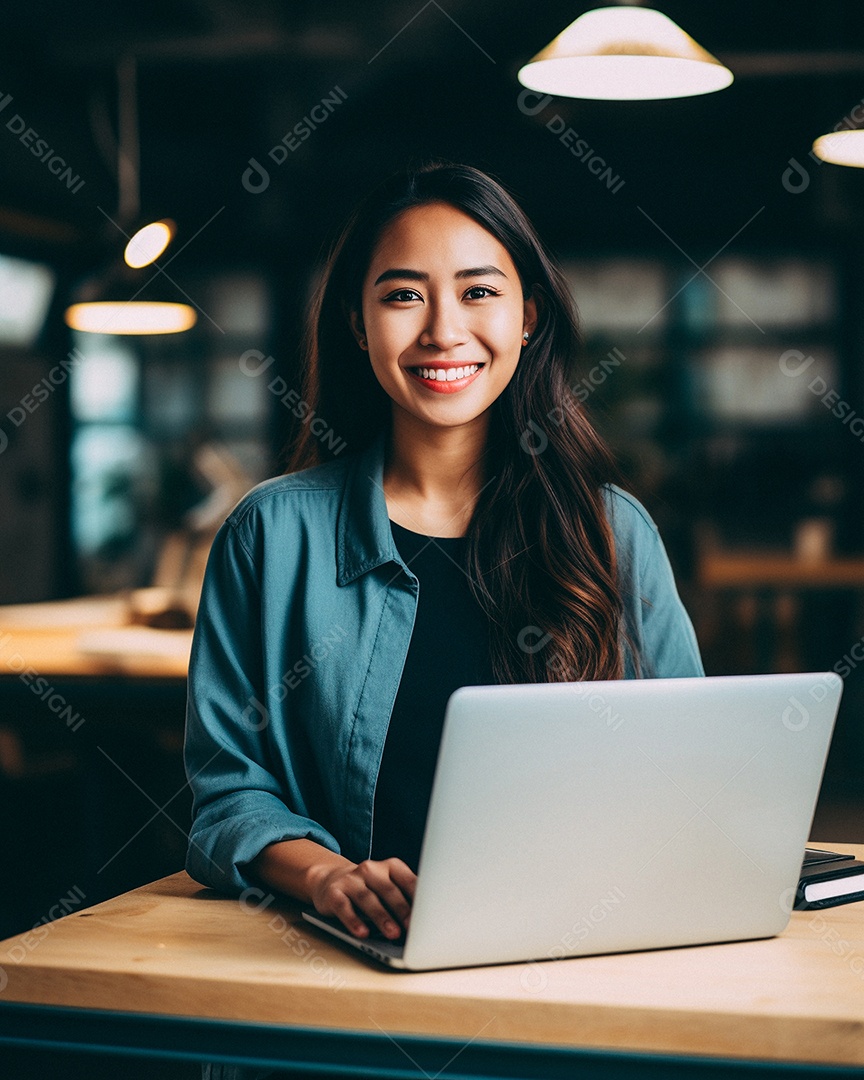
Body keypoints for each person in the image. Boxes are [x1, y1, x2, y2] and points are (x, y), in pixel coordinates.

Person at [185, 160, 704, 1080]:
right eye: (402, 296)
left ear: (528, 316)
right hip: (341, 992)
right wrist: (328, 876)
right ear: (357, 321)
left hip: (572, 987)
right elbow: (229, 794)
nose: (443, 331)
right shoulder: (270, 534)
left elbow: (689, 781)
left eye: (478, 292)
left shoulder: (614, 534)